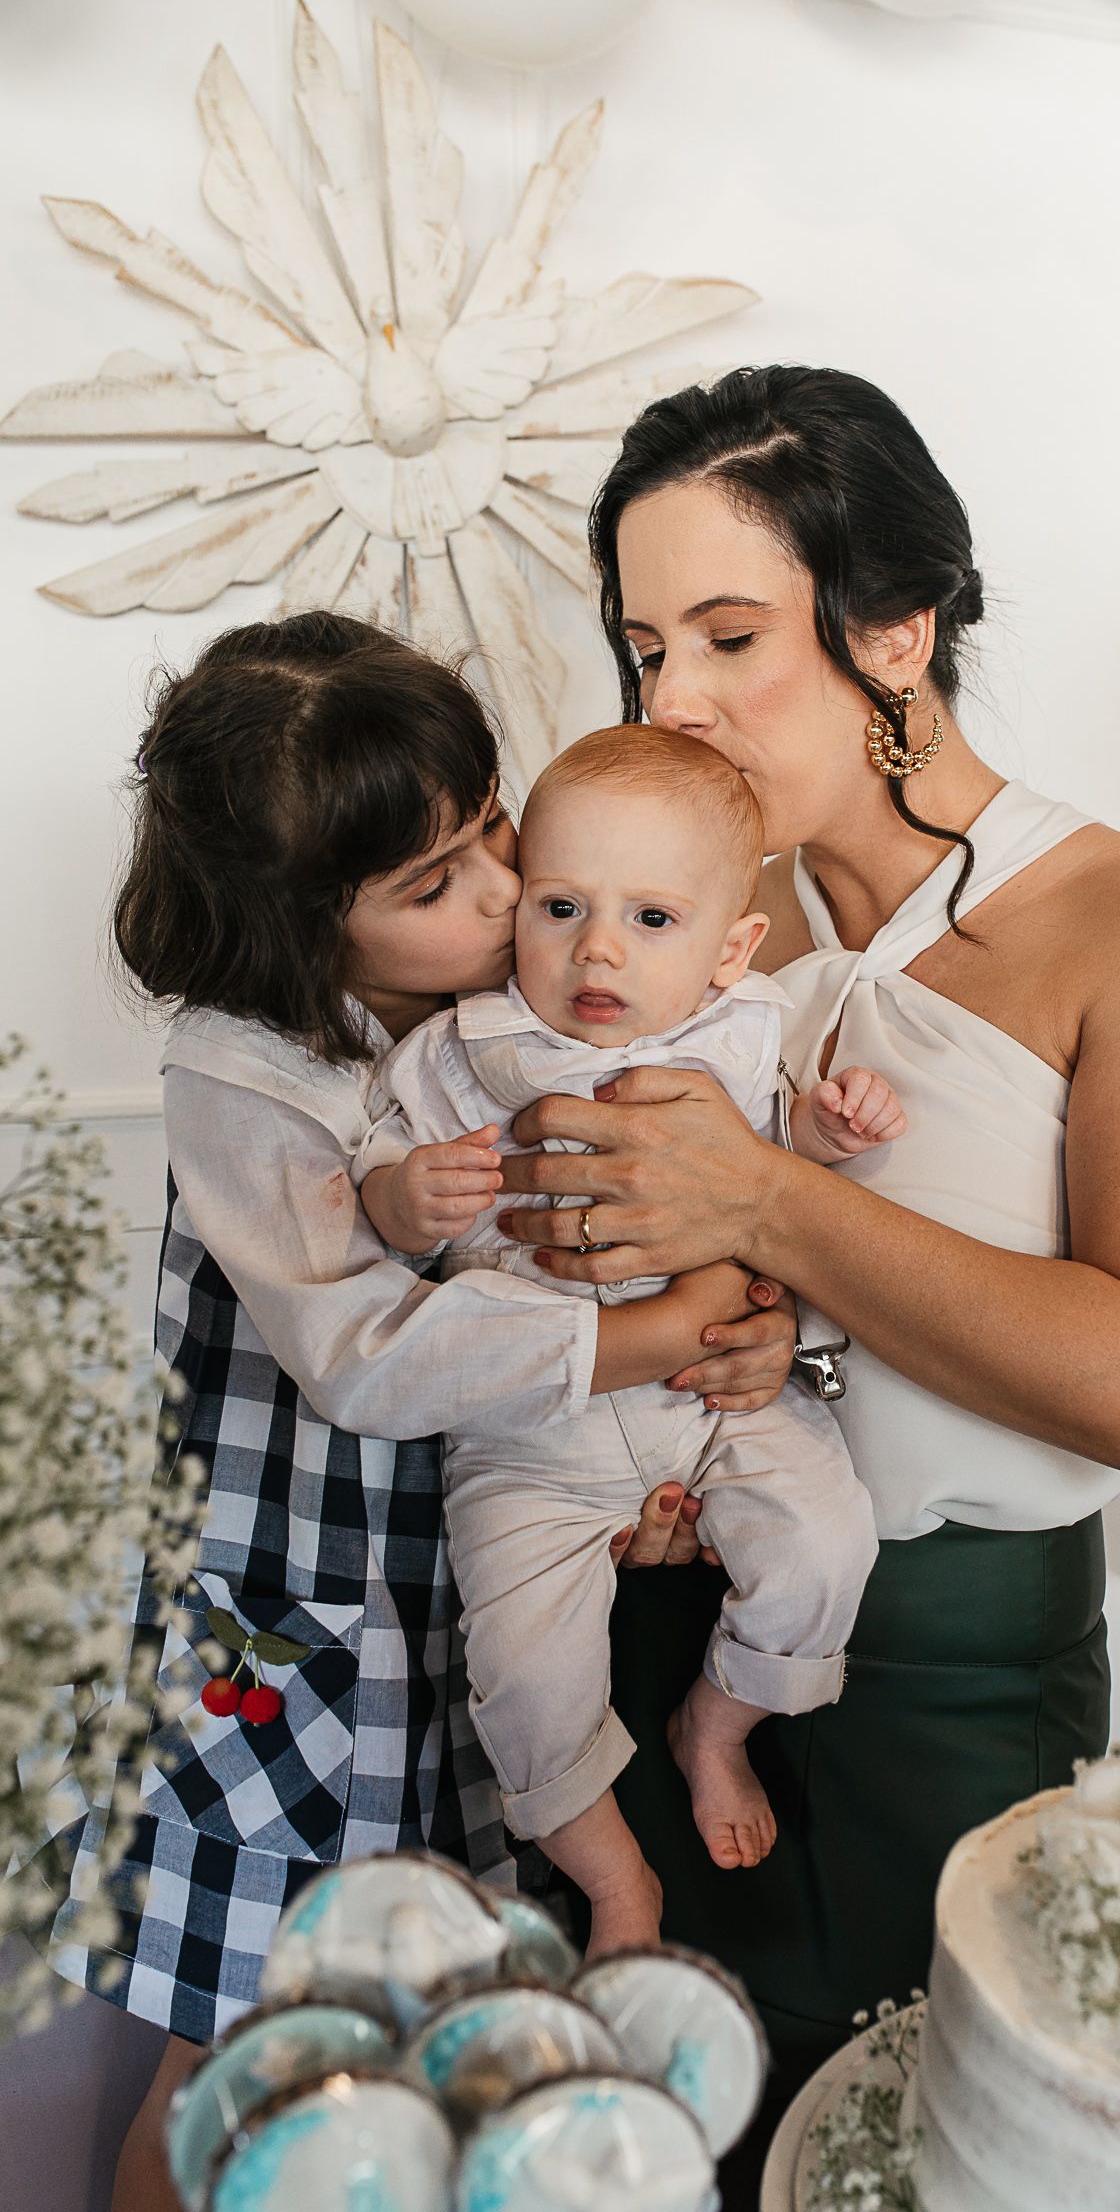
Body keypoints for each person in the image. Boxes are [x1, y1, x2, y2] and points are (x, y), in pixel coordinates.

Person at [493, 364, 1120, 2095]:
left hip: (957, 1678)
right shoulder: (666, 933)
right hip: (651, 1636)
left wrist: (769, 1200)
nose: (672, 701)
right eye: (644, 649)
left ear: (897, 630)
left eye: (728, 638)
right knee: (644, 2119)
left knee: (924, 2130)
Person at [56, 613, 797, 2212]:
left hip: (443, 1576)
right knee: (241, 2052)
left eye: (490, 834)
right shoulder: (245, 1076)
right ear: (304, 929)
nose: (502, 892)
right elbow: (367, 1360)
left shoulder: (498, 1007)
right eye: (435, 882)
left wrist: (736, 1343)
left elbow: (672, 1216)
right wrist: (652, 1337)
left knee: (413, 2034)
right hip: (288, 1606)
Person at [354, 722, 896, 1949]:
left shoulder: (746, 1033)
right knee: (523, 1674)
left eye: (652, 919)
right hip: (526, 1432)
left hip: (718, 1394)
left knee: (824, 1544)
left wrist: (828, 1132)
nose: (596, 949)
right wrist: (402, 1195)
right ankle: (612, 1879)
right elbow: (378, 1178)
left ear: (730, 948)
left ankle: (721, 1722)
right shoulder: (461, 1050)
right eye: (561, 907)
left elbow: (782, 1174)